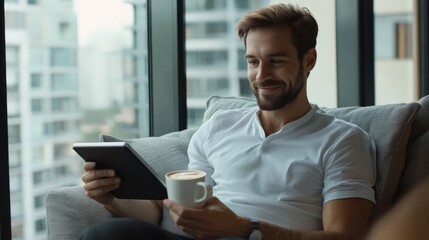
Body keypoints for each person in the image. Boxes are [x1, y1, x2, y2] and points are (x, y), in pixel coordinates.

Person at [79, 3, 376, 240]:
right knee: (108, 232)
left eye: (276, 60)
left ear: (308, 60)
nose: (261, 76)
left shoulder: (342, 140)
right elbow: (173, 210)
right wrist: (111, 199)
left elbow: (346, 235)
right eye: (253, 61)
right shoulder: (220, 126)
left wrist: (246, 228)